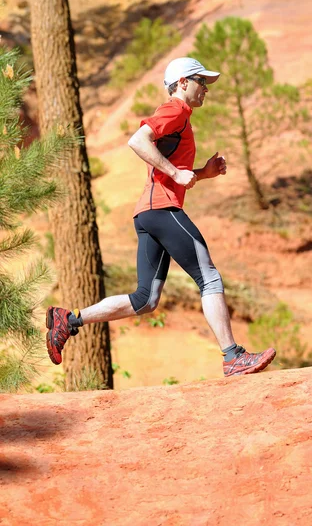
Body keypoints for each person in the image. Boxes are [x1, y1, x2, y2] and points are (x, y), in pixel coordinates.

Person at [46, 57, 276, 377]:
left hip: (148, 213)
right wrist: (176, 173)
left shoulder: (181, 117)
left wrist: (202, 174)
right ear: (182, 83)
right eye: (201, 81)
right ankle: (233, 356)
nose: (206, 88)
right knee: (208, 277)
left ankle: (68, 320)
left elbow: (169, 171)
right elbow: (138, 140)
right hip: (162, 209)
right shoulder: (176, 110)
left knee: (146, 300)